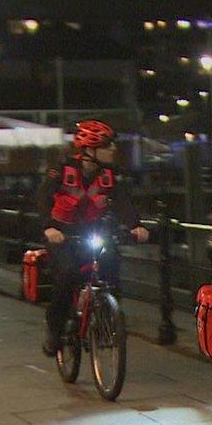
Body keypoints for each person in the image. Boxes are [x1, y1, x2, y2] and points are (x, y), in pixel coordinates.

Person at [38, 120, 150, 356]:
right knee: (67, 274)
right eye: (107, 146)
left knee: (111, 267)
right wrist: (49, 228)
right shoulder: (63, 170)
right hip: (63, 234)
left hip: (92, 231)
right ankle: (55, 330)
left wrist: (135, 225)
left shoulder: (109, 175)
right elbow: (43, 198)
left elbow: (122, 202)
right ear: (90, 150)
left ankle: (107, 321)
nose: (112, 150)